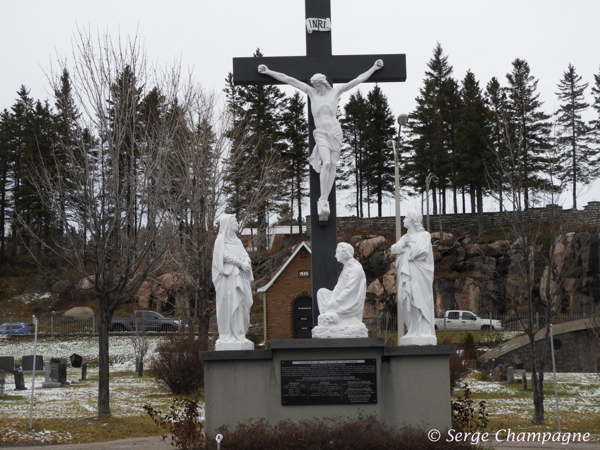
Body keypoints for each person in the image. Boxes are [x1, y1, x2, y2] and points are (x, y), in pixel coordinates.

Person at [258, 60, 384, 219]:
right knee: (327, 163)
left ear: (323, 83)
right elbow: (288, 79)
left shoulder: (336, 92)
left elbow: (358, 79)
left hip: (335, 132)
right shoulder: (311, 92)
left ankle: (325, 199)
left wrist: (373, 68)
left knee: (332, 166)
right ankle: (322, 198)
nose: (317, 88)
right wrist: (268, 72)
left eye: (318, 85)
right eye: (315, 85)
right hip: (321, 134)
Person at [391, 210, 436, 345]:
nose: (403, 220)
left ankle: (422, 331)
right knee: (404, 299)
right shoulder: (405, 237)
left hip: (420, 273)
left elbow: (423, 252)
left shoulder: (424, 235)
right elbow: (394, 249)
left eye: (405, 217)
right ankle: (412, 329)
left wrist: (410, 245)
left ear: (412, 220)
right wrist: (404, 243)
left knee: (418, 299)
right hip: (406, 272)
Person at [211, 214, 254, 349]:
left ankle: (240, 334)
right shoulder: (220, 240)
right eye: (235, 221)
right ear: (228, 223)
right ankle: (228, 334)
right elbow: (223, 256)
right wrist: (240, 264)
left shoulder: (238, 241)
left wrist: (246, 262)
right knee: (230, 306)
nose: (237, 223)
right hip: (228, 280)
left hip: (240, 278)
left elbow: (246, 255)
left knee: (241, 305)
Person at [313, 242, 367, 337]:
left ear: (344, 253)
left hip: (348, 303)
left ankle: (333, 318)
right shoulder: (345, 269)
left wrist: (333, 303)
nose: (335, 255)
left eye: (337, 252)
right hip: (340, 300)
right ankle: (330, 317)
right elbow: (337, 289)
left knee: (329, 304)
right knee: (321, 292)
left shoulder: (355, 268)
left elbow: (349, 290)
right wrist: (330, 301)